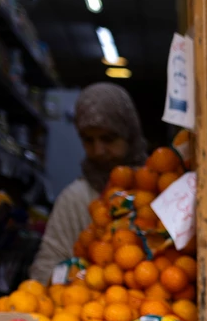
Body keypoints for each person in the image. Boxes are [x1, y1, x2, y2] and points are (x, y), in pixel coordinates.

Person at [31, 83, 149, 281]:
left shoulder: (157, 190)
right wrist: (78, 279)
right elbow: (44, 269)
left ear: (129, 135)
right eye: (88, 140)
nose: (98, 150)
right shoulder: (75, 199)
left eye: (108, 139)